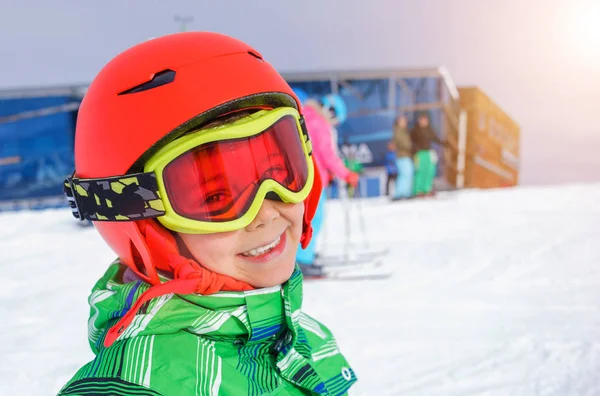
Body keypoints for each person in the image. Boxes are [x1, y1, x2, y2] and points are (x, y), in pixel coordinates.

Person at [58, 32, 357, 396]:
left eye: (280, 171)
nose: (264, 214)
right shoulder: (135, 385)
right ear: (140, 218)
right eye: (216, 195)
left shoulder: (305, 337)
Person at [294, 93, 359, 277]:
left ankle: (302, 255)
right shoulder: (318, 123)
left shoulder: (304, 117)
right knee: (314, 218)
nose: (332, 123)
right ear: (329, 111)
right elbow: (326, 155)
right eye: (334, 118)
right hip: (312, 178)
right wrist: (346, 174)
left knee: (303, 218)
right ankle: (303, 261)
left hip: (303, 177)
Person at [410, 112, 444, 197]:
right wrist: (414, 152)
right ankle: (418, 190)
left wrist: (444, 143)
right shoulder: (415, 130)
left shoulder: (429, 130)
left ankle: (427, 189)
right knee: (420, 171)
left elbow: (435, 138)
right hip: (419, 153)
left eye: (425, 120)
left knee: (429, 171)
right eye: (422, 120)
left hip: (428, 152)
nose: (424, 121)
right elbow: (411, 142)